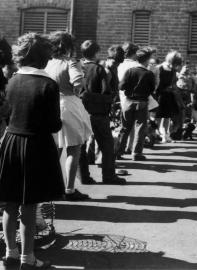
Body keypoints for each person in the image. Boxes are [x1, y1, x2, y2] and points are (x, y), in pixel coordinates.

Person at [0, 32, 64, 269]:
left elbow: (7, 114)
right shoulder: (48, 84)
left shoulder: (13, 80)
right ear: (45, 57)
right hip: (36, 146)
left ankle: (10, 255)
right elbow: (53, 124)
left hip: (11, 142)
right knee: (29, 206)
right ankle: (28, 259)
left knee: (9, 203)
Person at [45, 31, 92, 200]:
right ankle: (70, 189)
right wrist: (80, 84)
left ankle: (50, 188)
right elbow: (78, 82)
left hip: (51, 105)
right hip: (68, 104)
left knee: (54, 149)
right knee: (74, 149)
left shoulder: (48, 63)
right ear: (68, 46)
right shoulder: (70, 62)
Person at [80, 40, 126, 184]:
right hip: (98, 113)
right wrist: (111, 98)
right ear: (97, 52)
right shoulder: (99, 69)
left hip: (79, 112)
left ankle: (84, 176)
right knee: (106, 145)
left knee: (80, 146)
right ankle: (108, 176)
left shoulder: (76, 66)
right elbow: (106, 94)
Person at [116, 47, 155, 161]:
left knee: (125, 127)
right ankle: (136, 153)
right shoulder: (148, 73)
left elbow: (121, 86)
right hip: (142, 102)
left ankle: (118, 151)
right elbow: (152, 89)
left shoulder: (130, 71)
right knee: (140, 128)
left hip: (128, 101)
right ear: (147, 60)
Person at [154, 50, 182, 143]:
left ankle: (166, 135)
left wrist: (176, 93)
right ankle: (156, 134)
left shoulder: (173, 70)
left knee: (167, 116)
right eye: (175, 64)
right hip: (159, 95)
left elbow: (173, 84)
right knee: (158, 116)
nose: (176, 66)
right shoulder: (159, 68)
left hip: (169, 94)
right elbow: (155, 83)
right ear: (171, 61)